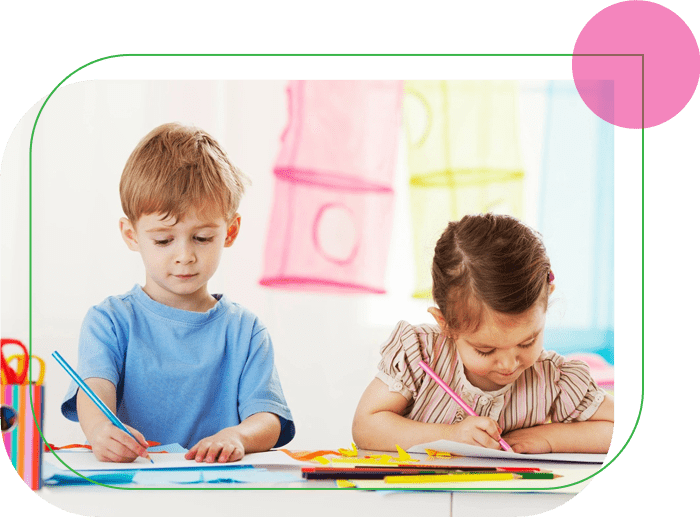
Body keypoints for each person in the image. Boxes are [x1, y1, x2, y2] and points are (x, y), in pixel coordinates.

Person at [61, 123, 294, 463]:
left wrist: (238, 436)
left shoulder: (246, 331)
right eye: (163, 240)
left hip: (217, 491)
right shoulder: (109, 321)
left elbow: (268, 419)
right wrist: (99, 430)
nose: (185, 255)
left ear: (230, 231)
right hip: (134, 487)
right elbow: (95, 390)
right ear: (131, 235)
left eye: (202, 238)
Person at [353, 213, 614, 454]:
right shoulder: (421, 354)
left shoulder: (552, 380)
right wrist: (450, 436)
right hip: (415, 501)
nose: (510, 364)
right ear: (446, 325)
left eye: (527, 342)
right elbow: (366, 427)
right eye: (485, 350)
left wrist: (549, 438)